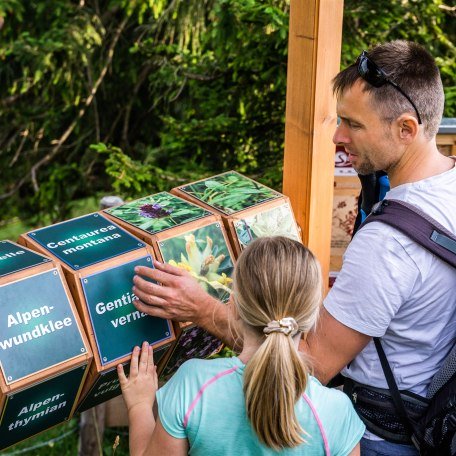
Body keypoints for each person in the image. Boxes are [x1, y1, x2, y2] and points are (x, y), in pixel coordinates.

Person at [131, 40, 456, 455]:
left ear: (406, 129)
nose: (338, 136)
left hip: (375, 438)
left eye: (353, 124)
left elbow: (311, 364)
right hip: (429, 422)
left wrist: (200, 308)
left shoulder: (389, 245)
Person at [119, 237, 365, 455]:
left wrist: (139, 405)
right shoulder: (336, 411)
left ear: (233, 305)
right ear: (312, 316)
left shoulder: (193, 384)